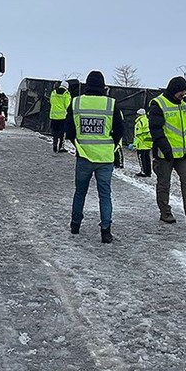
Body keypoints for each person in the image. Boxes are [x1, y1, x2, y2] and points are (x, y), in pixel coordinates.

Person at [65, 70, 124, 243]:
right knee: (105, 195)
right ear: (102, 85)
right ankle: (106, 231)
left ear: (87, 85)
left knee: (80, 192)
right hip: (105, 158)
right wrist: (110, 145)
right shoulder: (111, 104)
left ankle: (75, 225)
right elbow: (120, 130)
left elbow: (69, 131)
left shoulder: (76, 103)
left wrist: (79, 144)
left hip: (83, 156)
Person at [149, 76, 186, 227]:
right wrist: (166, 149)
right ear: (174, 91)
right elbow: (156, 130)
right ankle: (165, 212)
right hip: (166, 154)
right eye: (181, 93)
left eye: (185, 92)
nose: (184, 95)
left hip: (185, 153)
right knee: (164, 184)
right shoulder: (158, 104)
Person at [48, 81, 71, 153]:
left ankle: (54, 144)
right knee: (62, 132)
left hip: (53, 115)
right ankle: (61, 147)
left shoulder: (53, 92)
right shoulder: (66, 94)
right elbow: (67, 105)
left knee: (55, 132)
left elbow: (51, 102)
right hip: (62, 116)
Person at [133, 108, 152, 177]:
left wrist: (134, 144)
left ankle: (143, 171)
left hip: (141, 144)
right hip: (147, 143)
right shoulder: (147, 120)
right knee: (147, 158)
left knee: (141, 158)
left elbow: (138, 134)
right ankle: (148, 172)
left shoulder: (139, 122)